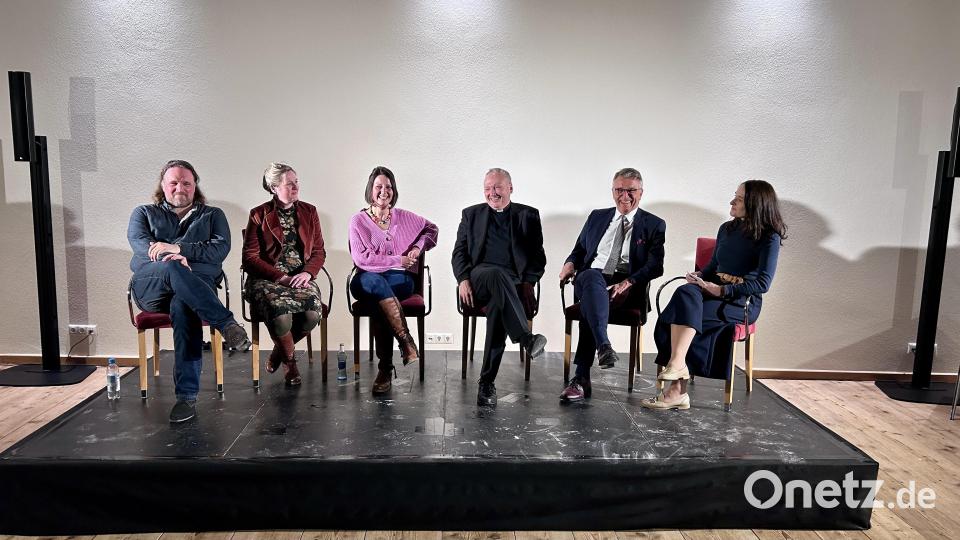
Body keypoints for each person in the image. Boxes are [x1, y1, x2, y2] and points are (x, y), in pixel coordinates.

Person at [644, 179, 786, 410]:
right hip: (712, 291)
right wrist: (699, 275)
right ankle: (678, 368)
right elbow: (712, 267)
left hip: (740, 301)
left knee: (688, 316)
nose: (731, 202)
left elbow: (763, 283)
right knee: (685, 291)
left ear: (755, 204)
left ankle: (677, 390)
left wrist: (722, 290)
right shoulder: (726, 229)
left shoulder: (769, 237)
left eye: (738, 199)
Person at [128, 159, 252, 423]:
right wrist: (174, 260)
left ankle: (186, 398)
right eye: (173, 182)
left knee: (184, 306)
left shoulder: (213, 215)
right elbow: (142, 249)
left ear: (195, 185)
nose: (179, 188)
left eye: (186, 183)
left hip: (197, 289)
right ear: (163, 185)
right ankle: (226, 324)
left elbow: (219, 250)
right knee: (173, 268)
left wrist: (178, 249)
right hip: (153, 286)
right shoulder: (143, 213)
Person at [558, 167, 665, 402]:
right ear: (612, 191)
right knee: (591, 279)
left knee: (591, 302)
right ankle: (603, 346)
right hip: (592, 277)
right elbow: (579, 250)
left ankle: (581, 378)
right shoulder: (597, 217)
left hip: (626, 285)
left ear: (641, 192)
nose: (624, 196)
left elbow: (655, 266)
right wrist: (569, 263)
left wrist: (629, 281)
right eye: (619, 190)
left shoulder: (654, 224)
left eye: (631, 191)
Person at [452, 168, 548, 407]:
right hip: (480, 279)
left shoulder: (528, 215)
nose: (492, 193)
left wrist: (529, 282)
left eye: (497, 187)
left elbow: (538, 257)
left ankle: (486, 383)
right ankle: (525, 337)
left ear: (510, 188)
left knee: (498, 309)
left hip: (511, 285)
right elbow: (459, 253)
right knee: (496, 274)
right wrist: (463, 278)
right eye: (488, 188)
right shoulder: (471, 214)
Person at [349, 166, 438, 395]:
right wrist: (398, 259)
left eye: (388, 187)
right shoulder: (358, 221)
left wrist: (417, 247)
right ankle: (406, 341)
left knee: (383, 298)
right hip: (366, 280)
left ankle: (385, 369)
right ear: (370, 190)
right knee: (379, 286)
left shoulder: (404, 217)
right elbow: (362, 259)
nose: (384, 191)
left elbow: (431, 229)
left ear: (394, 190)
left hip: (399, 280)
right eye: (379, 186)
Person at [242, 162, 326, 387]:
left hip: (300, 276)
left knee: (312, 315)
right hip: (268, 278)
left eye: (296, 182)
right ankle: (291, 364)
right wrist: (281, 278)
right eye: (289, 184)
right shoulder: (258, 214)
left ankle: (279, 352)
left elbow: (318, 251)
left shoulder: (310, 211)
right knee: (281, 317)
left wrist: (307, 273)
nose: (295, 187)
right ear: (273, 188)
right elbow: (249, 258)